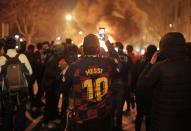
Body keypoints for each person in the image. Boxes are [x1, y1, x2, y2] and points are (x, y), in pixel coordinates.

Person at [63, 34, 119, 131]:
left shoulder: (74, 67)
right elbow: (118, 60)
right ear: (98, 48)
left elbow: (63, 88)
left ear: (83, 49)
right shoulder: (108, 63)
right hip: (103, 116)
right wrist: (107, 42)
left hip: (83, 117)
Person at [138, 32, 191, 131]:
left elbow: (141, 84)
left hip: (162, 123)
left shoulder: (160, 67)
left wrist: (150, 64)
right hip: (185, 123)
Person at [0, 37, 32, 131]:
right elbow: (30, 72)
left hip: (7, 89)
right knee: (21, 111)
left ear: (5, 46)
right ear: (15, 46)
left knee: (8, 113)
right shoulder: (22, 57)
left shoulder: (2, 58)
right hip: (22, 88)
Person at [41, 44, 66, 128]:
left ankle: (52, 118)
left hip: (53, 85)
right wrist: (60, 70)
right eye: (62, 51)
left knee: (53, 103)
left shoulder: (55, 58)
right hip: (50, 86)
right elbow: (49, 73)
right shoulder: (53, 60)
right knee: (50, 104)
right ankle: (46, 122)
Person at [133, 45, 157, 131]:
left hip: (140, 93)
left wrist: (133, 90)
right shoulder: (157, 64)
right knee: (149, 115)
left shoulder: (140, 62)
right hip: (150, 94)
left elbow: (134, 76)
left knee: (139, 114)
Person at [112, 42, 132, 131]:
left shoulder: (111, 56)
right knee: (119, 108)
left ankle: (111, 125)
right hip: (122, 85)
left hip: (112, 84)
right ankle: (118, 127)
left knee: (111, 107)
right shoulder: (127, 57)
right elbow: (131, 70)